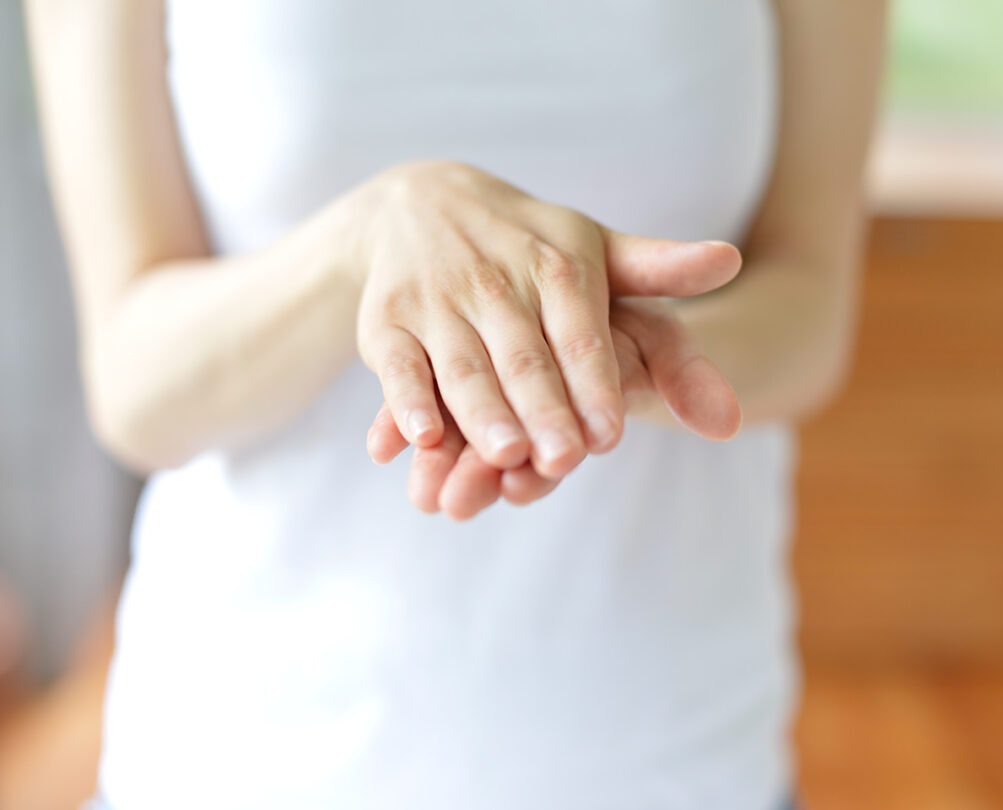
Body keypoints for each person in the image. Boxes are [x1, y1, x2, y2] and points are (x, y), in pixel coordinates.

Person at [26, 0, 885, 807]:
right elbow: (133, 380)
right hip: (246, 757)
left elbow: (812, 303)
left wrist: (607, 360)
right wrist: (360, 246)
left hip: (679, 755)